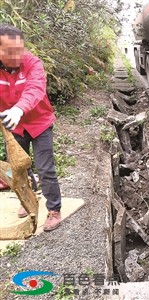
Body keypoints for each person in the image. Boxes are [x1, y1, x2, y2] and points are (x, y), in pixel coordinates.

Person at [0, 24, 62, 232]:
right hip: (13, 127)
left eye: (20, 49)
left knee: (45, 168)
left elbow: (35, 87)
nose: (17, 56)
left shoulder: (33, 63)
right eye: (10, 51)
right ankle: (27, 201)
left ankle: (54, 210)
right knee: (18, 169)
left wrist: (19, 109)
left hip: (39, 122)